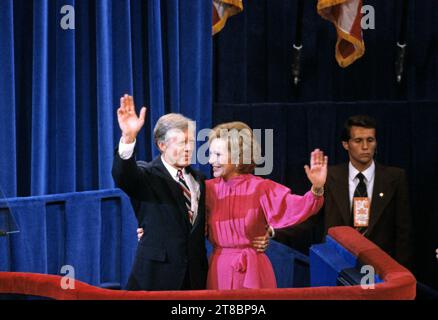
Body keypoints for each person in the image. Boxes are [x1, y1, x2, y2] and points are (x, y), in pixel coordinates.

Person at [113, 95, 268, 291]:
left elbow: (233, 212)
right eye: (181, 142)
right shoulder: (147, 176)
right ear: (162, 145)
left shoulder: (202, 181)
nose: (188, 148)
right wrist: (128, 138)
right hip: (156, 279)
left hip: (196, 279)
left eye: (191, 142)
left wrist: (265, 232)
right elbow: (123, 175)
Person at [275, 115, 413, 269]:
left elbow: (403, 232)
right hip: (336, 265)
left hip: (381, 268)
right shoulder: (329, 176)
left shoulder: (395, 178)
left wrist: (400, 274)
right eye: (358, 141)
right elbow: (309, 219)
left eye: (370, 140)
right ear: (346, 144)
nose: (366, 147)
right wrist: (272, 231)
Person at [205, 122, 327, 289]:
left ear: (239, 156)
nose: (211, 160)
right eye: (210, 154)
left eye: (218, 155)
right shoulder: (207, 190)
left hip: (253, 272)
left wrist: (317, 188)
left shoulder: (261, 188)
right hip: (218, 272)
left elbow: (299, 207)